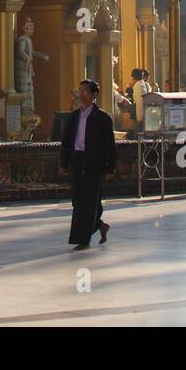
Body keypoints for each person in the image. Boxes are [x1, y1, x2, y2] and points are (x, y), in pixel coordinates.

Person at [59, 79, 117, 251]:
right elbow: (66, 142)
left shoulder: (102, 118)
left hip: (94, 162)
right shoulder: (74, 117)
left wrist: (110, 167)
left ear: (94, 95)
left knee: (90, 200)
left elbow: (109, 144)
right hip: (77, 161)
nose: (81, 94)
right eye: (80, 90)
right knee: (78, 199)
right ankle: (100, 225)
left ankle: (83, 239)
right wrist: (63, 163)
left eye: (85, 91)